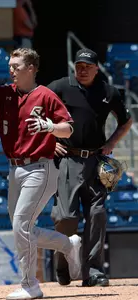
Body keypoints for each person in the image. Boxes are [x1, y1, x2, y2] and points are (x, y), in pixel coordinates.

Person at [0, 47, 82, 300]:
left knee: (21, 225)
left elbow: (69, 129)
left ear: (31, 68)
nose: (11, 70)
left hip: (41, 167)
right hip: (15, 168)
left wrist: (50, 126)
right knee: (23, 228)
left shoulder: (46, 95)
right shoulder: (6, 93)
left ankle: (30, 285)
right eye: (10, 65)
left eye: (16, 66)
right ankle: (67, 244)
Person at [47, 48, 133, 287]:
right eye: (79, 65)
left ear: (97, 68)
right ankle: (62, 263)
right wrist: (49, 140)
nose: (82, 70)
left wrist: (112, 143)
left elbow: (126, 121)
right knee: (65, 218)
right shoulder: (60, 86)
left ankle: (93, 271)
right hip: (67, 159)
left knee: (97, 215)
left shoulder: (108, 91)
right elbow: (33, 114)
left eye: (87, 66)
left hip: (96, 161)